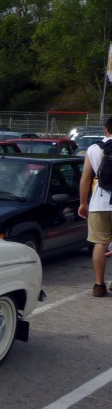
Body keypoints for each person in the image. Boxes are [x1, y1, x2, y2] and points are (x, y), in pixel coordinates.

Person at [78, 116, 112, 297]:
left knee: (100, 243)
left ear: (106, 129)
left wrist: (83, 203)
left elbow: (85, 179)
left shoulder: (93, 148)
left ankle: (99, 285)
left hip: (99, 203)